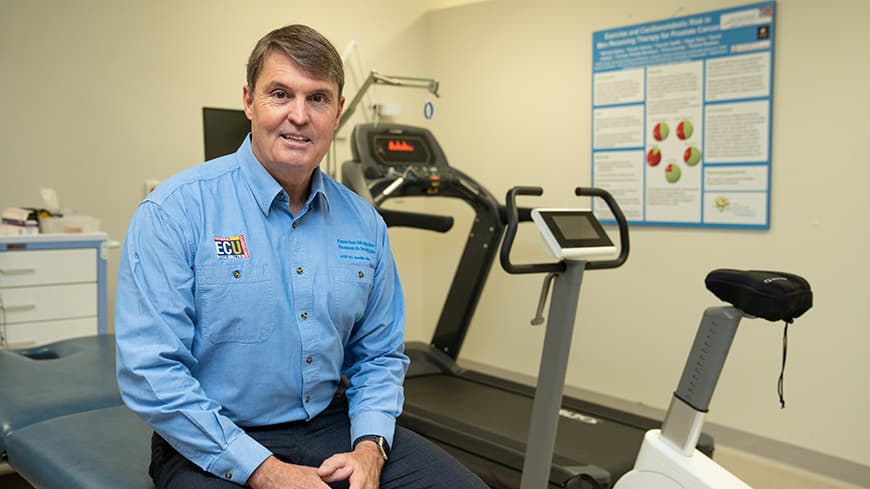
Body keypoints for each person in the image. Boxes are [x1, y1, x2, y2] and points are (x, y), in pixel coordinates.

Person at [115, 24, 489, 489]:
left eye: (318, 98)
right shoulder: (174, 211)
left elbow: (378, 357)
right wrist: (266, 472)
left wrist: (370, 448)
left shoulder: (363, 223)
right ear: (249, 101)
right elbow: (150, 369)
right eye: (280, 94)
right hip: (213, 436)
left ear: (338, 111)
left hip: (331, 427)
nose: (299, 115)